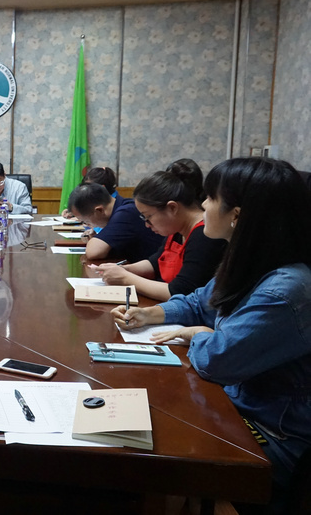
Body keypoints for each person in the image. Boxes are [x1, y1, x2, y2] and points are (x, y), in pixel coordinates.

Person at [111, 157, 311, 510]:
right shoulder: (250, 261)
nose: (203, 205)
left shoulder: (286, 290)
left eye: (211, 198)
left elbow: (217, 360)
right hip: (234, 402)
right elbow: (198, 301)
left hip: (273, 433)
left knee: (155, 448)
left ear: (237, 214)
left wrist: (200, 335)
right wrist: (149, 314)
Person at [91, 159, 227, 301]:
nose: (147, 225)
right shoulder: (177, 228)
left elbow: (181, 292)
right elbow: (155, 263)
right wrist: (123, 269)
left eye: (148, 217)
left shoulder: (204, 235)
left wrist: (125, 278)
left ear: (172, 208)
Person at [68, 182, 162, 262]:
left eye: (86, 221)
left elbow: (93, 252)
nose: (88, 225)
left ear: (99, 211)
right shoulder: (123, 206)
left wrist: (96, 239)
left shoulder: (126, 213)